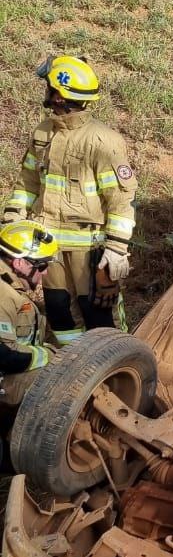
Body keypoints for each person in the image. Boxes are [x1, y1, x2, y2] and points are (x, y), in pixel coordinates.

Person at [4, 55, 136, 344]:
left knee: (100, 315)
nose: (47, 92)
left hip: (89, 249)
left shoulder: (103, 141)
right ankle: (71, 365)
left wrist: (116, 249)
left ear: (60, 96)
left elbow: (120, 200)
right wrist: (13, 218)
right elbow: (28, 182)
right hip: (49, 247)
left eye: (50, 88)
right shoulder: (43, 133)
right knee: (60, 313)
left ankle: (116, 366)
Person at [0, 220, 56, 409]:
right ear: (19, 262)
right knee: (63, 382)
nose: (45, 272)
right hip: (6, 377)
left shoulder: (11, 286)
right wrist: (51, 355)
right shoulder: (3, 294)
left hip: (10, 371)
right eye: (42, 265)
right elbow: (5, 355)